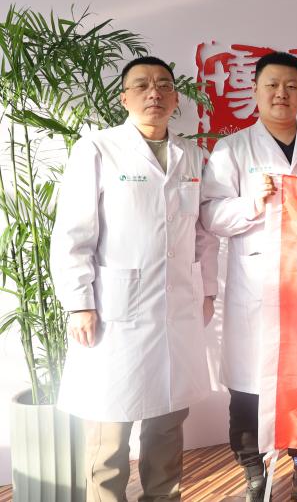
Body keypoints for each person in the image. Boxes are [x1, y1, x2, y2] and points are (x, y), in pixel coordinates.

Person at [52, 56, 219, 502]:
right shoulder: (98, 148)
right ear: (124, 97)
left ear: (176, 98)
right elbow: (74, 231)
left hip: (176, 307)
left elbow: (202, 232)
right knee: (109, 433)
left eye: (164, 85)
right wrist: (79, 302)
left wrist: (207, 290)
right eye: (142, 85)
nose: (154, 93)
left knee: (167, 423)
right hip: (114, 308)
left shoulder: (191, 154)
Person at [201, 51, 297, 502]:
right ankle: (252, 472)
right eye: (273, 85)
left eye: (292, 86)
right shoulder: (233, 149)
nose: (282, 93)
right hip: (255, 285)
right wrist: (251, 204)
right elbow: (210, 216)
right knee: (248, 388)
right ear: (256, 91)